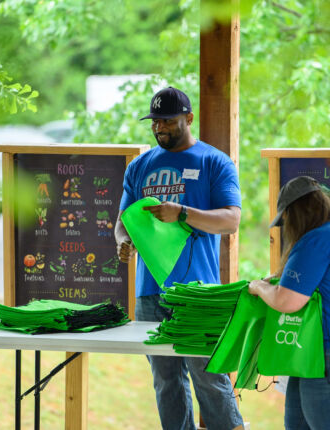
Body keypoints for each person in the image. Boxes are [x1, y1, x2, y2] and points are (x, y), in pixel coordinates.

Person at [115, 86, 244, 430]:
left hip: (197, 295)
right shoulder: (139, 167)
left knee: (209, 378)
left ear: (189, 118)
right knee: (166, 382)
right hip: (150, 293)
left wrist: (183, 213)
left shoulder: (214, 162)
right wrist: (123, 242)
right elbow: (123, 222)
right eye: (155, 122)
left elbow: (232, 220)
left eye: (168, 121)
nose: (160, 129)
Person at [249, 175, 330, 430]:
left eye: (286, 217)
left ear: (295, 212)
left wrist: (259, 287)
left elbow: (287, 301)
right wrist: (279, 279)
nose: (286, 225)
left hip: (324, 355)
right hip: (325, 352)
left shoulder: (313, 242)